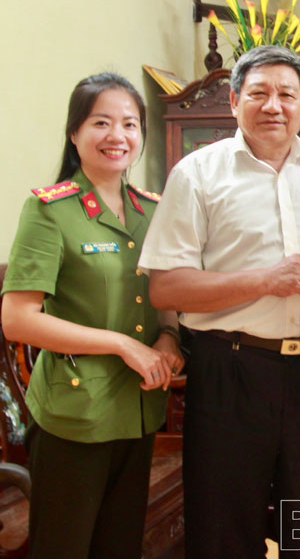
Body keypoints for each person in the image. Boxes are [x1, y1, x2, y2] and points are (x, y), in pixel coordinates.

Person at [138, 45, 300, 558]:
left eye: (287, 94)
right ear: (233, 101)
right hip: (230, 374)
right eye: (259, 93)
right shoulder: (196, 174)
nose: (273, 105)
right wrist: (267, 280)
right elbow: (167, 288)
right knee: (223, 535)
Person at [1, 73, 183, 558]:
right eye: (101, 122)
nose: (117, 135)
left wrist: (167, 338)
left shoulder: (152, 210)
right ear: (74, 132)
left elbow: (162, 293)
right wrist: (123, 344)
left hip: (139, 409)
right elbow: (18, 319)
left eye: (129, 124)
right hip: (75, 414)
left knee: (119, 547)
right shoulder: (49, 211)